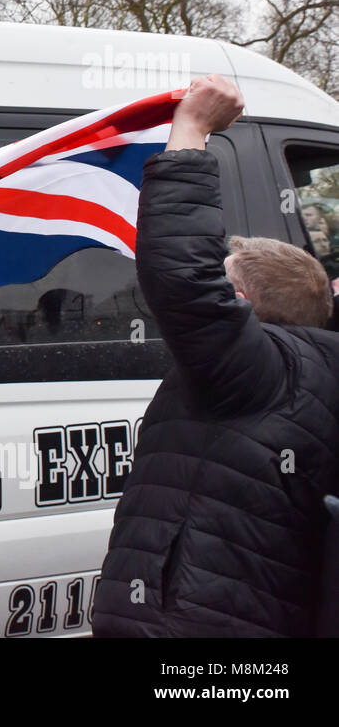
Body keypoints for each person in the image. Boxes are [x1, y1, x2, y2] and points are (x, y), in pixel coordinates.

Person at [93, 75, 339, 637]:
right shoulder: (315, 368)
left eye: (225, 285)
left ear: (244, 304)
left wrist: (191, 132)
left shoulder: (254, 371)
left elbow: (184, 277)